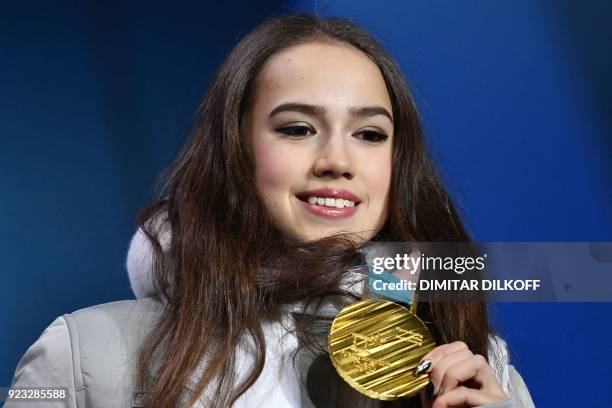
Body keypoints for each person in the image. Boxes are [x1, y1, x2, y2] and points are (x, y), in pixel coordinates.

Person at [7, 14, 535, 408]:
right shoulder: (83, 356)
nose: (336, 161)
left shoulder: (481, 374)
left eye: (370, 134)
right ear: (234, 150)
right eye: (298, 128)